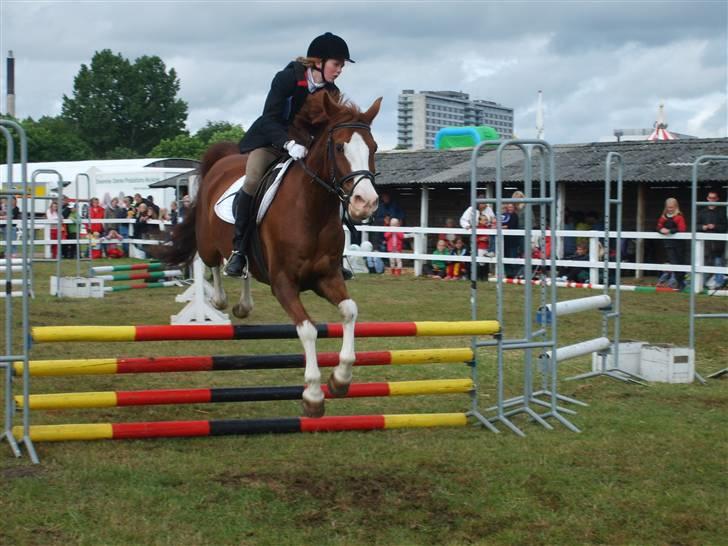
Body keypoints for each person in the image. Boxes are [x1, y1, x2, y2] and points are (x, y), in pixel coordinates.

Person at [225, 32, 354, 277]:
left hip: (305, 150)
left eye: (341, 66)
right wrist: (288, 143)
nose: (340, 70)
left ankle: (337, 256)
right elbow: (268, 120)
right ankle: (239, 250)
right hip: (270, 143)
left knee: (330, 188)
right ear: (318, 61)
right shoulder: (286, 79)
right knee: (252, 181)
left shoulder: (332, 93)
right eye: (336, 64)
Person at [697, 190, 727, 289]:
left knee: (718, 263)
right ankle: (702, 284)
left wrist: (714, 226)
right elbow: (695, 226)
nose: (712, 200)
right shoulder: (702, 212)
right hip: (705, 245)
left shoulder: (722, 213)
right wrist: (703, 227)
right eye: (710, 198)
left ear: (717, 199)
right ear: (707, 198)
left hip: (718, 245)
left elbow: (725, 227)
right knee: (704, 263)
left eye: (714, 198)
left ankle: (719, 285)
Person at [656, 197, 687, 290]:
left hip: (679, 244)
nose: (670, 209)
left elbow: (682, 229)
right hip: (668, 244)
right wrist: (661, 230)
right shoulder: (663, 217)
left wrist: (670, 231)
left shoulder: (679, 217)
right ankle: (679, 282)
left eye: (672, 207)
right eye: (668, 207)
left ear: (675, 207)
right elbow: (658, 226)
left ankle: (681, 282)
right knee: (674, 263)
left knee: (679, 262)